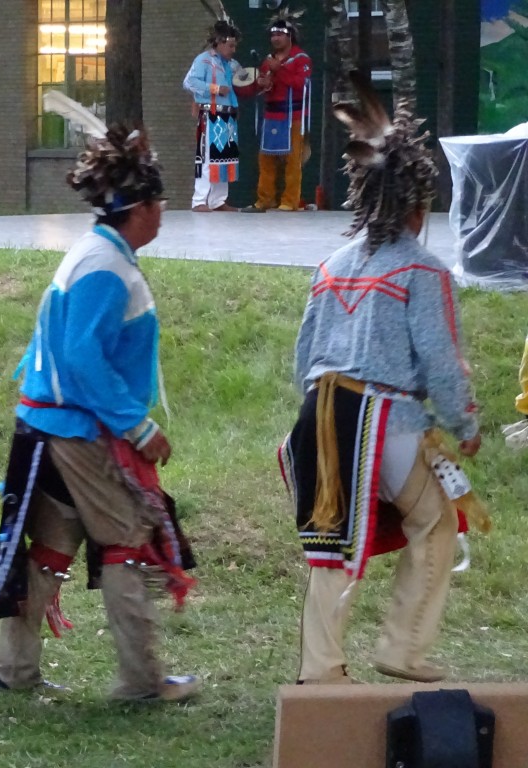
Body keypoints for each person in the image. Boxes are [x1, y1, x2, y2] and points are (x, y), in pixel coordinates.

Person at [0, 123, 198, 702]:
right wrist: (137, 424)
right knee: (126, 540)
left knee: (51, 550)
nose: (163, 212)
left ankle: (13, 669)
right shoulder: (105, 267)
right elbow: (81, 356)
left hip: (51, 425)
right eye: (159, 202)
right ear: (139, 208)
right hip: (81, 431)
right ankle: (142, 681)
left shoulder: (95, 255)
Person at [278, 72, 482, 685]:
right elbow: (441, 361)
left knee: (329, 544)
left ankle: (321, 669)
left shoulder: (330, 266)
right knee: (436, 523)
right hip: (382, 421)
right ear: (417, 206)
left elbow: (302, 359)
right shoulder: (423, 271)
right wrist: (463, 422)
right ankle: (402, 649)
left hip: (316, 418)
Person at [241, 11, 312, 213]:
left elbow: (300, 84)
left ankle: (290, 201)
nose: (275, 39)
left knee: (292, 161)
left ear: (289, 36)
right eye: (273, 35)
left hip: (293, 117)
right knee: (266, 160)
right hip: (272, 116)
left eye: (279, 34)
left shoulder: (301, 59)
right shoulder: (268, 61)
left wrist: (279, 69)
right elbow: (267, 87)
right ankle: (265, 200)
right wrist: (262, 83)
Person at [183, 19, 245, 212]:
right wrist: (216, 88)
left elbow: (244, 81)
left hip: (227, 116)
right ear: (219, 42)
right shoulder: (203, 60)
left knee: (224, 158)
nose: (233, 50)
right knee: (207, 157)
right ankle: (199, 200)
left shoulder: (233, 65)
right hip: (209, 114)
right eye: (231, 45)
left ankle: (218, 200)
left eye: (235, 46)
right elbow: (189, 82)